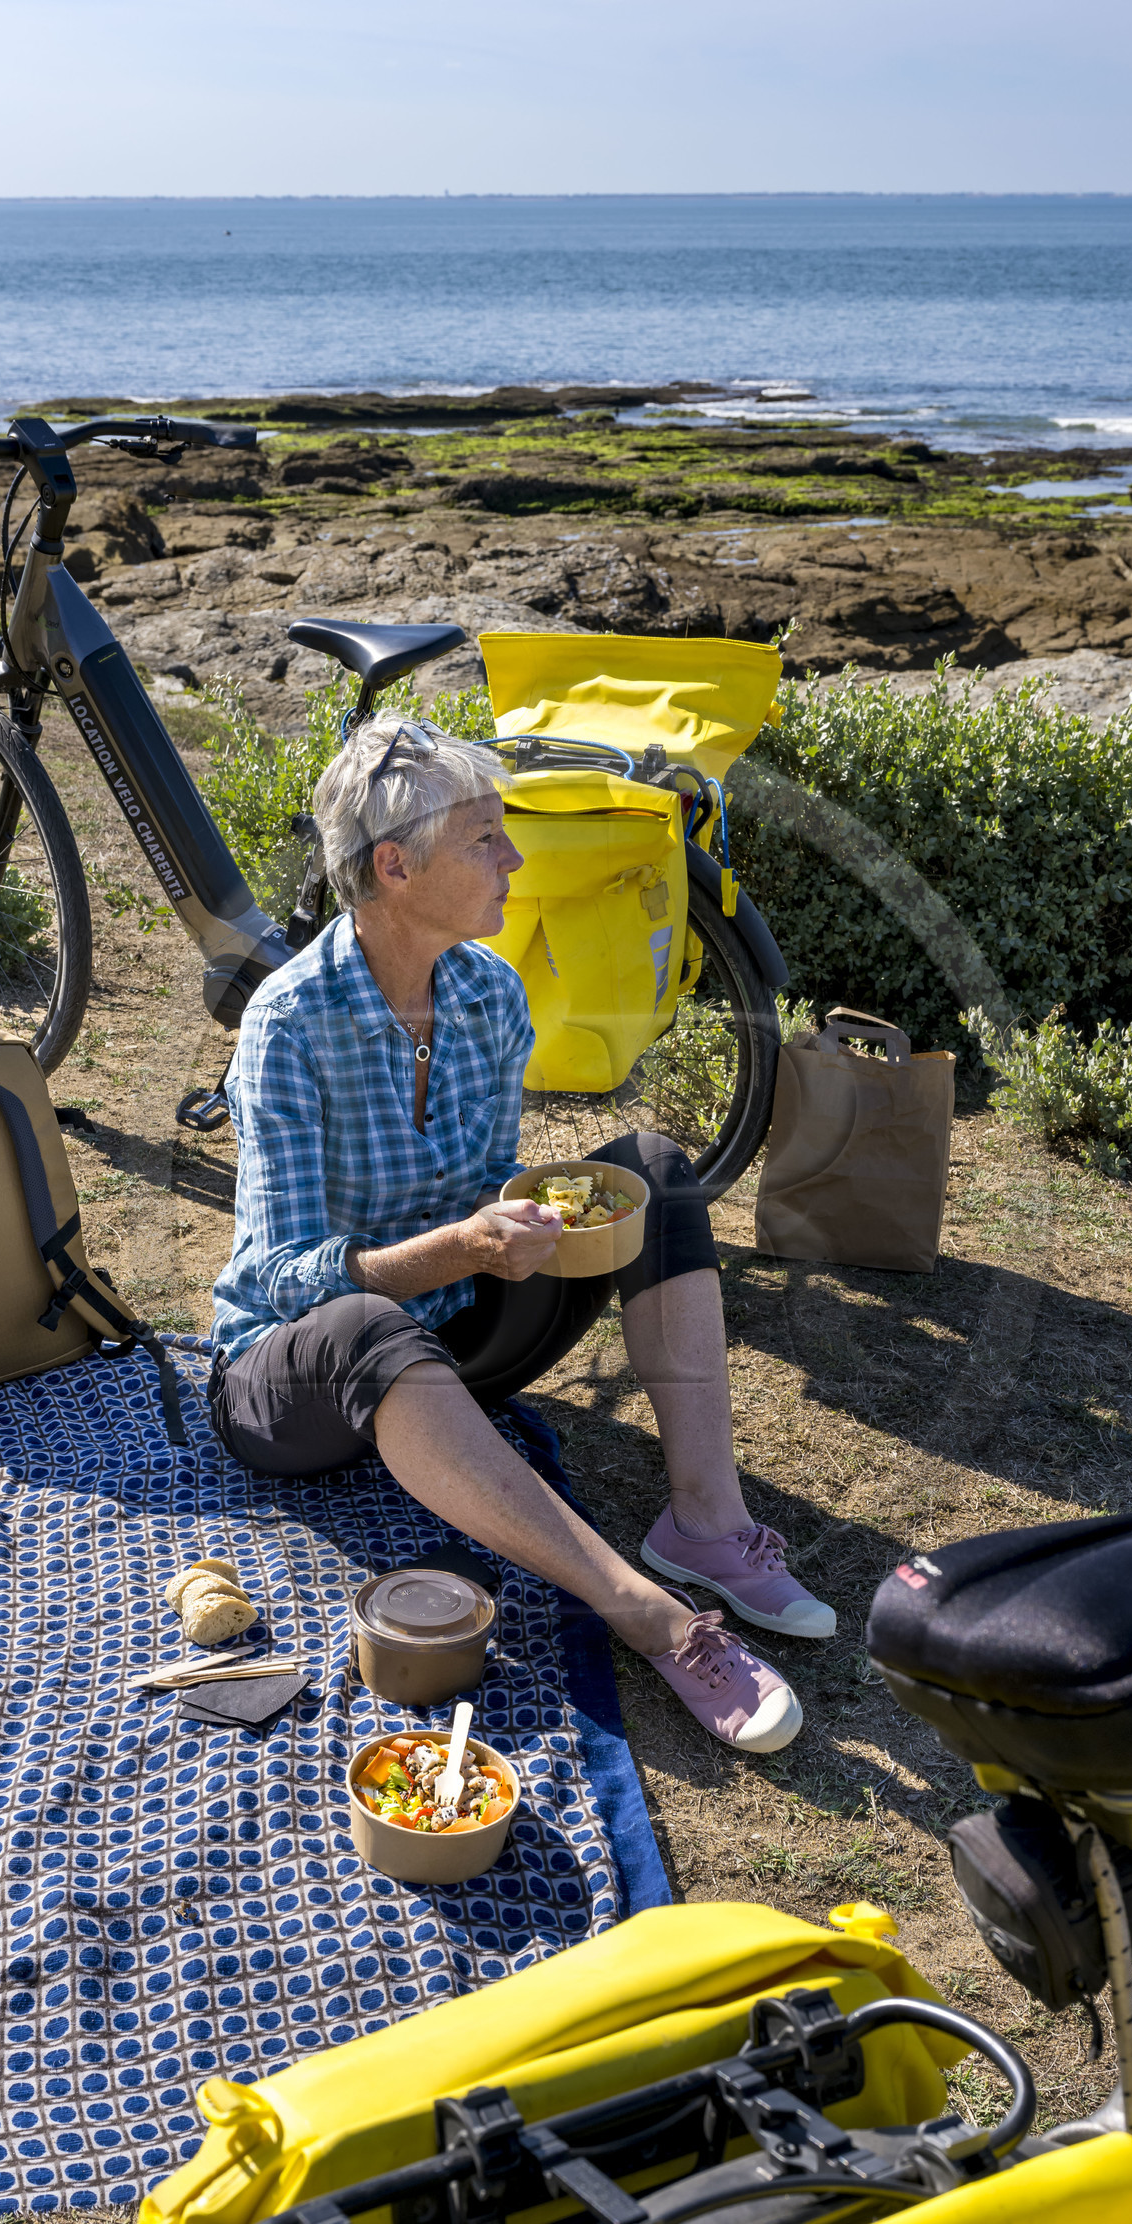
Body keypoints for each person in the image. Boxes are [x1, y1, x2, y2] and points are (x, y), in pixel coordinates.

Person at [210, 714, 834, 1753]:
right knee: (364, 1321)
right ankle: (645, 1613)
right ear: (396, 866)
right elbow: (283, 1282)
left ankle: (706, 1525)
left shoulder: (492, 993)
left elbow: (478, 1187)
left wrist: (531, 1225)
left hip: (456, 1339)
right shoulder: (287, 1024)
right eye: (485, 841)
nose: (514, 859)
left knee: (656, 1172)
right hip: (298, 1382)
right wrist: (462, 1247)